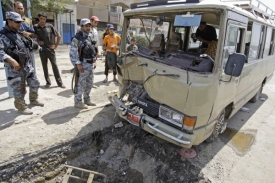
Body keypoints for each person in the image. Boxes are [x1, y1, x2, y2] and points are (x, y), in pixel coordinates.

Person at [0, 12, 44, 115]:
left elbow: (30, 45)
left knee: (35, 82)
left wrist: (34, 44)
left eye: (20, 22)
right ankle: (21, 106)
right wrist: (12, 60)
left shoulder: (19, 33)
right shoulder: (2, 35)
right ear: (9, 21)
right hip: (15, 68)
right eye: (17, 22)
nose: (19, 24)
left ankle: (33, 99)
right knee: (19, 88)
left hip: (27, 65)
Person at [70, 18, 97, 109]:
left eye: (89, 26)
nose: (88, 27)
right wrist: (78, 64)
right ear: (81, 26)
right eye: (86, 26)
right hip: (83, 64)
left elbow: (92, 49)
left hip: (90, 64)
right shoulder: (77, 38)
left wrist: (94, 60)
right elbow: (73, 52)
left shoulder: (89, 36)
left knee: (89, 83)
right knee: (80, 84)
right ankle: (78, 102)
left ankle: (87, 99)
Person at [34, 12, 65, 88]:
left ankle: (60, 83)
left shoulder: (50, 26)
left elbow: (59, 36)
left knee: (54, 66)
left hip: (50, 50)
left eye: (44, 19)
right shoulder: (35, 27)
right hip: (42, 50)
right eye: (41, 19)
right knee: (45, 67)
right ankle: (48, 82)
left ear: (46, 19)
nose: (42, 20)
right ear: (39, 18)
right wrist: (38, 42)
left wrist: (56, 46)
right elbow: (33, 37)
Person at [90, 15, 100, 89]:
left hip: (93, 51)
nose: (96, 23)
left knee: (93, 67)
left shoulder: (95, 31)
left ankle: (91, 83)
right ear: (91, 21)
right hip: (86, 51)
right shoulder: (86, 29)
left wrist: (98, 52)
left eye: (97, 22)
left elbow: (96, 42)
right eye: (95, 22)